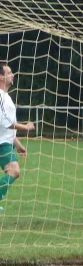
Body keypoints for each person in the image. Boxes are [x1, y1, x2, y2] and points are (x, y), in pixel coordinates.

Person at [0, 63, 35, 212]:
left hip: (5, 142)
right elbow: (6, 123)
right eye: (9, 73)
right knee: (14, 170)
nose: (12, 75)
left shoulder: (6, 97)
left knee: (13, 170)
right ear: (1, 77)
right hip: (1, 144)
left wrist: (19, 145)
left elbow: (6, 129)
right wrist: (25, 127)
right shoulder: (0, 96)